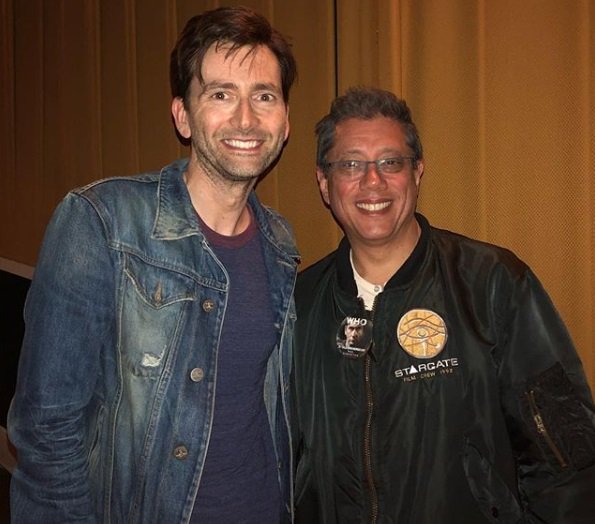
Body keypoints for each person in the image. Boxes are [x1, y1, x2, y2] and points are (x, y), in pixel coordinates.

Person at [8, 6, 299, 523]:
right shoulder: (101, 223)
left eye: (264, 96)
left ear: (285, 122)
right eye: (220, 94)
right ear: (183, 116)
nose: (246, 118)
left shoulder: (280, 244)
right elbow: (47, 434)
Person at [292, 86, 595, 523]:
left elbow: (567, 455)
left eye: (390, 162)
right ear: (324, 181)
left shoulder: (491, 282)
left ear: (417, 172)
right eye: (351, 164)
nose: (372, 181)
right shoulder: (299, 303)